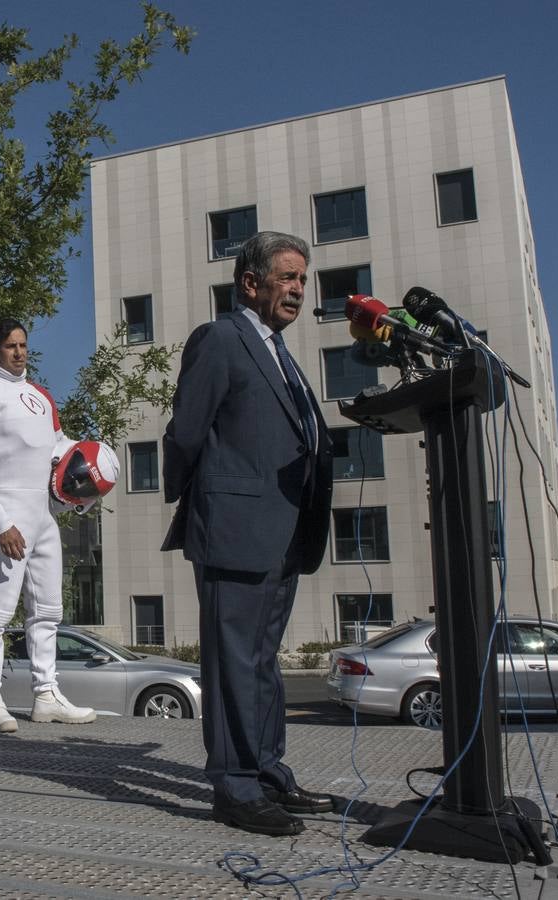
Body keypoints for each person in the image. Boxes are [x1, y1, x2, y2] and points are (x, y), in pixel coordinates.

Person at [161, 230, 334, 837]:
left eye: (303, 280)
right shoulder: (222, 339)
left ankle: (266, 772)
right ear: (250, 282)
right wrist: (206, 499)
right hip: (234, 527)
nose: (298, 289)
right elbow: (185, 432)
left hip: (284, 529)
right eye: (287, 277)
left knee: (263, 661)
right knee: (233, 660)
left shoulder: (281, 352)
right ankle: (234, 787)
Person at [0, 319, 96, 733]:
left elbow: (60, 449)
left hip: (43, 516)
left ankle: (46, 695)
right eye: (10, 347)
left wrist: (89, 473)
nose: (19, 353)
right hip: (6, 516)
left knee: (48, 610)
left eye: (23, 345)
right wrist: (1, 523)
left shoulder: (40, 394)